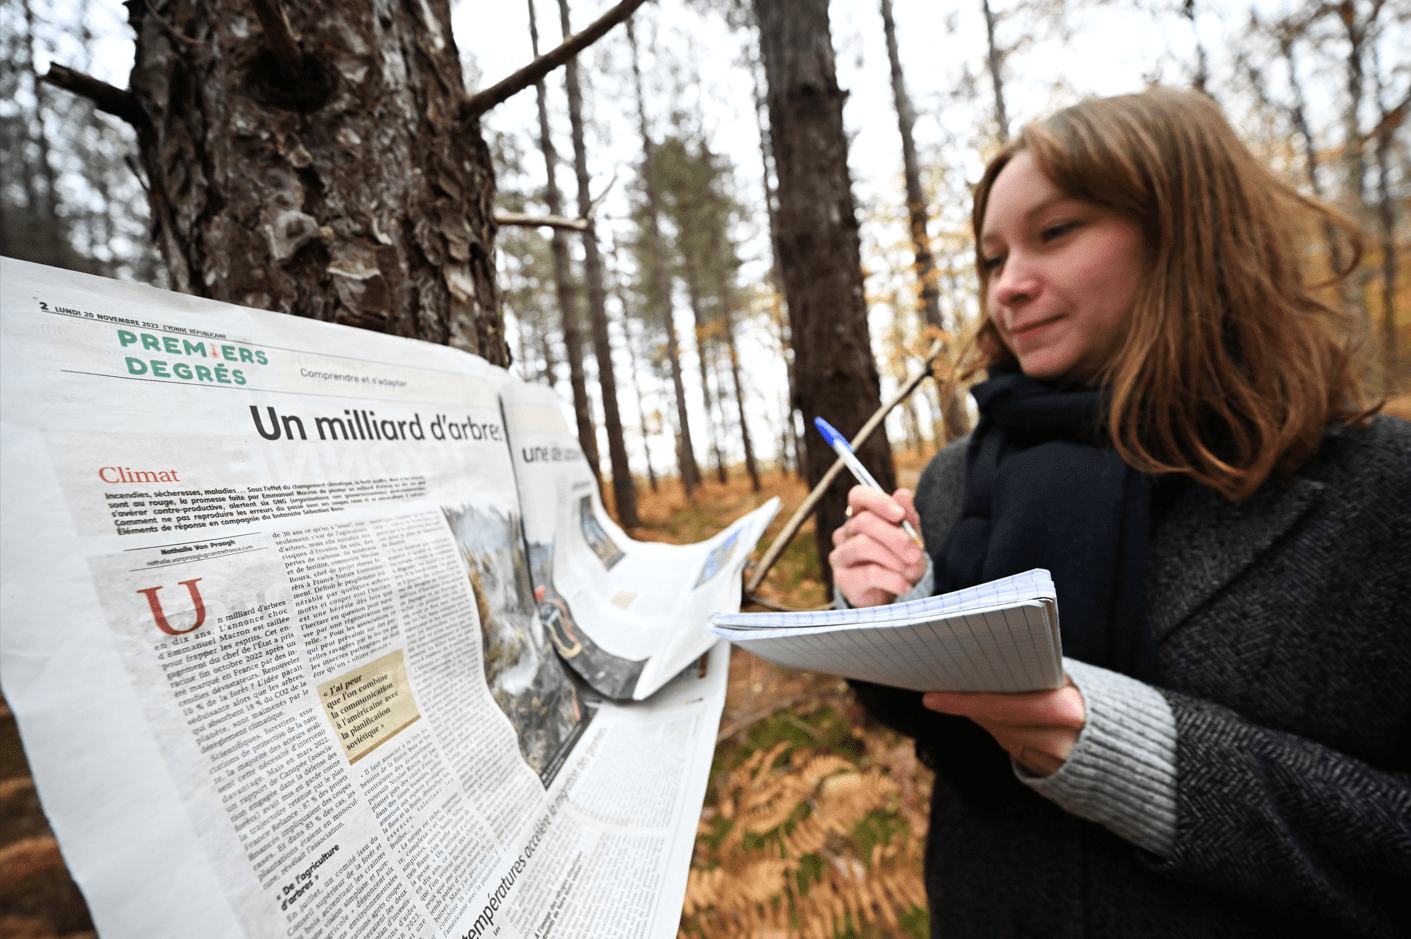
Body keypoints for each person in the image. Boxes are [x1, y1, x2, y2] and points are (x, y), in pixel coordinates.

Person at [829, 88, 1410, 938]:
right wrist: (884, 614)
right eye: (991, 258)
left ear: (1186, 230)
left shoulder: (1379, 489)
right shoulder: (957, 477)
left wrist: (1145, 758)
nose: (1007, 289)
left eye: (1054, 233)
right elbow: (933, 725)